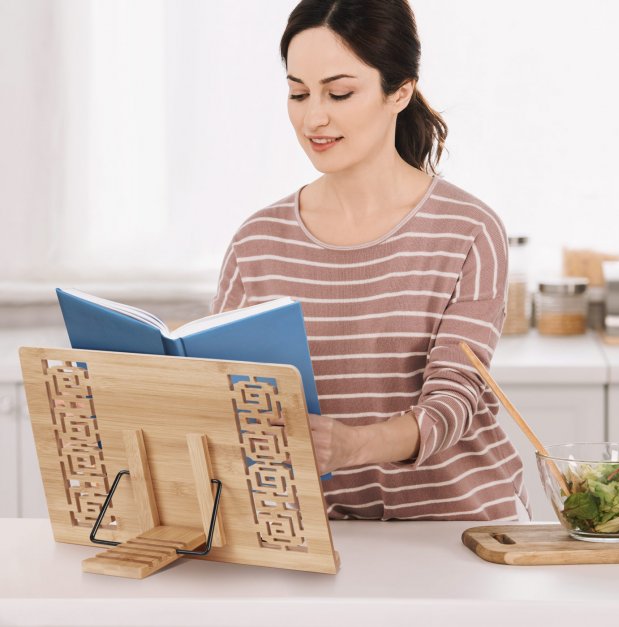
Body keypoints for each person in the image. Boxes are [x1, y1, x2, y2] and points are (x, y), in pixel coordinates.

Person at [211, 0, 529, 522]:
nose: (314, 117)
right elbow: (223, 390)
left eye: (340, 93)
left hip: (460, 530)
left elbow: (455, 398)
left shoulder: (468, 230)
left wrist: (352, 446)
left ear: (399, 91)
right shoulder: (257, 241)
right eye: (297, 93)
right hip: (322, 531)